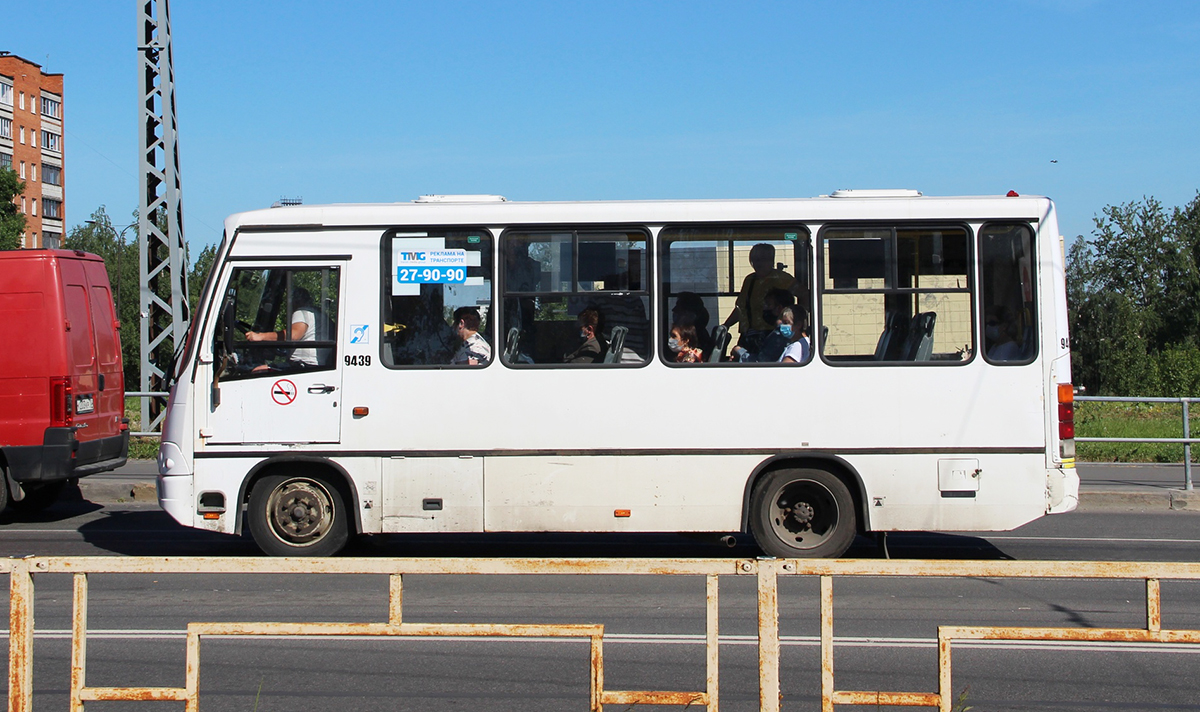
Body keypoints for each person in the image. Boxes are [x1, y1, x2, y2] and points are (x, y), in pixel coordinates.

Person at [722, 243, 797, 353]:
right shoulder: (749, 280)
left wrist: (795, 323)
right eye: (755, 259)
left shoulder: (781, 278)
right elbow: (741, 308)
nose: (759, 263)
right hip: (749, 333)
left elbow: (804, 295)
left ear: (771, 260)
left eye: (763, 259)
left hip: (773, 333)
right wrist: (725, 326)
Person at [245, 287, 320, 367]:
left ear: (296, 301)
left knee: (258, 370)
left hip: (302, 366)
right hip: (314, 366)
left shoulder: (302, 312)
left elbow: (292, 335)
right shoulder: (318, 315)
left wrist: (260, 336)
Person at [732, 288, 795, 363]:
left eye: (768, 304)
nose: (764, 308)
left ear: (779, 308)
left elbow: (761, 362)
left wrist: (739, 352)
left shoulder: (780, 335)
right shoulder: (777, 333)